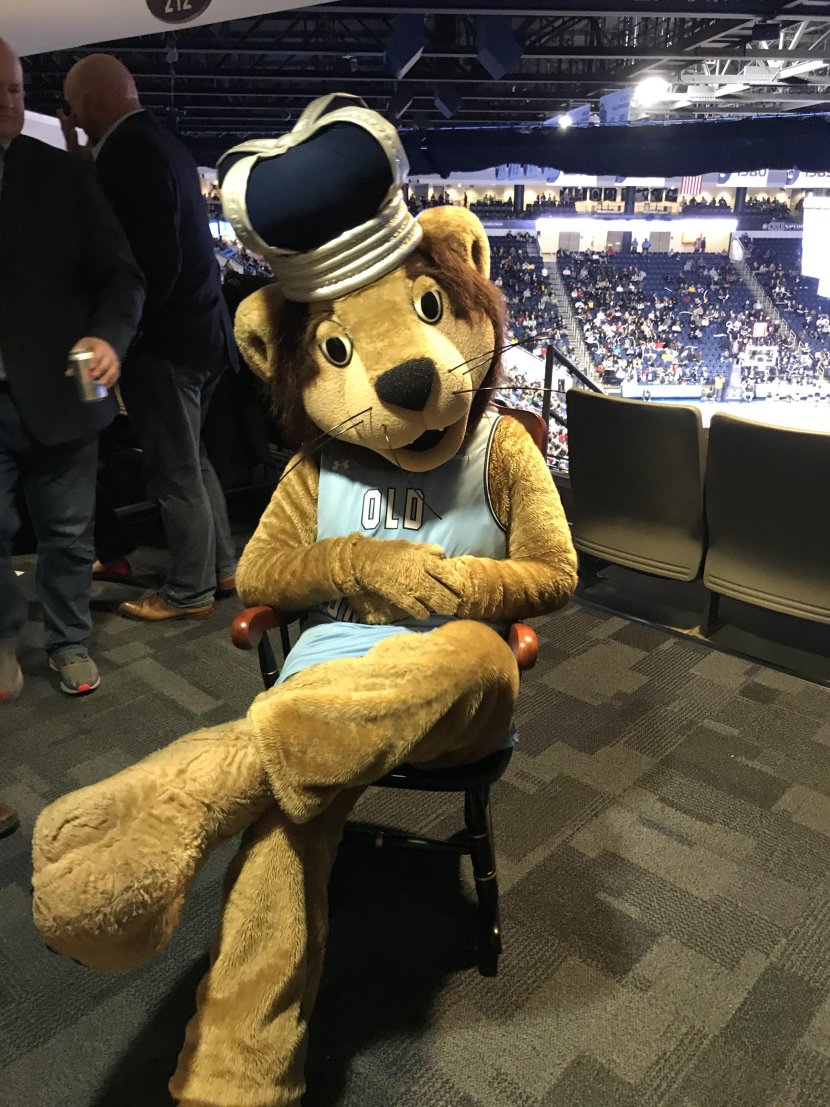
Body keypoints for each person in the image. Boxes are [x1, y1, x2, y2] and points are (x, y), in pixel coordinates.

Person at [62, 54, 238, 623]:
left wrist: (124, 337)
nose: (74, 120)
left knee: (173, 470)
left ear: (91, 103)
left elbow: (150, 266)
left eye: (75, 109)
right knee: (194, 460)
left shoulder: (128, 153)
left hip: (166, 344)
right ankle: (220, 568)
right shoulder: (161, 142)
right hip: (202, 333)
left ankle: (188, 591)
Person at [0, 39, 145, 701]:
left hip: (65, 387)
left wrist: (108, 336)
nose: (10, 102)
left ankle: (68, 640)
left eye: (14, 89)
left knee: (67, 532)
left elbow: (122, 276)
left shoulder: (63, 175)